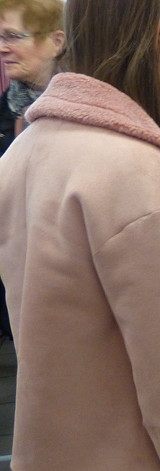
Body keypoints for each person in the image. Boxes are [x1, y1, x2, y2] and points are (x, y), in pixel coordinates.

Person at [0, 1, 160, 471]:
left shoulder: (25, 150)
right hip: (140, 462)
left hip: (62, 453)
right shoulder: (140, 174)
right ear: (159, 40)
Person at [0, 0, 64, 340]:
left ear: (56, 40)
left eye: (12, 35)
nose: (1, 47)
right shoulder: (8, 109)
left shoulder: (78, 114)